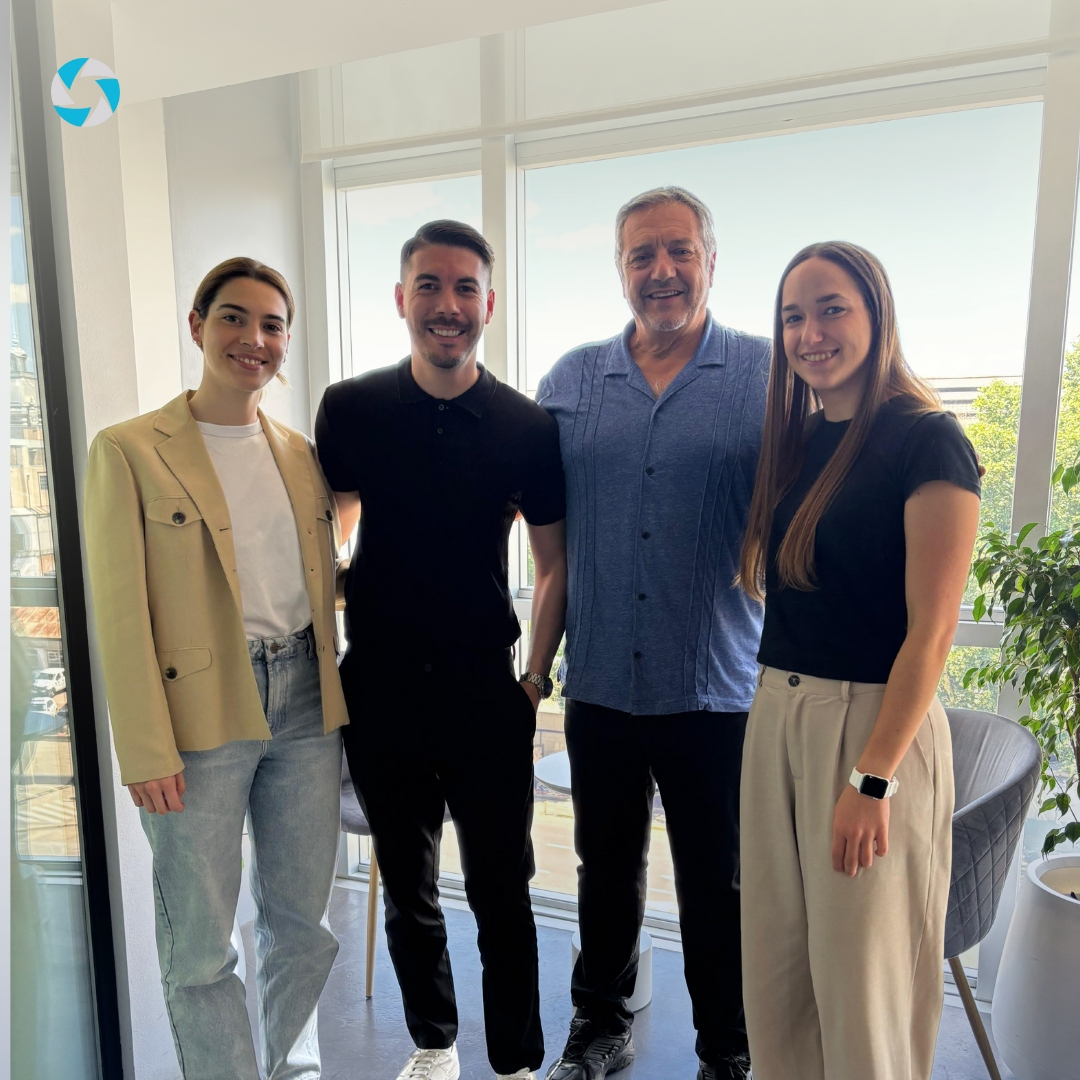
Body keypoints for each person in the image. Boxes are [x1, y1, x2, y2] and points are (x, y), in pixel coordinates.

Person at [315, 220, 567, 1080]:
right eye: (430, 285)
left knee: (502, 892)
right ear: (401, 298)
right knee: (408, 889)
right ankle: (434, 1044)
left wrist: (533, 680)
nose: (447, 304)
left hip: (484, 694)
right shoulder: (350, 408)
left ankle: (517, 1061)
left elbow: (554, 563)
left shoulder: (527, 426)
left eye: (465, 288)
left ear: (489, 304)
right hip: (380, 690)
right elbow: (329, 536)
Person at [84, 257, 348, 1080]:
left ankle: (295, 1071)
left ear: (285, 342)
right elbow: (119, 612)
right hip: (197, 714)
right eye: (234, 317)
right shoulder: (128, 450)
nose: (253, 338)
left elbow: (318, 572)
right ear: (198, 326)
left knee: (302, 926)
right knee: (201, 946)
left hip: (306, 705)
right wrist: (144, 747)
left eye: (272, 325)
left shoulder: (301, 454)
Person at [536, 187, 770, 1080]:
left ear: (711, 260)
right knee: (603, 870)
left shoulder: (765, 374)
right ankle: (599, 1027)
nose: (661, 270)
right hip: (599, 682)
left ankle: (727, 1047)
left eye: (679, 250)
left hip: (715, 689)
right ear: (621, 269)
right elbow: (525, 508)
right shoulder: (570, 381)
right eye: (642, 254)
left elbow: (830, 470)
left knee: (719, 882)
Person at [737, 241, 981, 1079]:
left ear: (877, 314)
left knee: (861, 989)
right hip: (776, 713)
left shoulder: (928, 440)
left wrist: (872, 779)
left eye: (831, 308)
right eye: (792, 317)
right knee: (777, 979)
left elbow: (933, 633)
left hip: (872, 728)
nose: (810, 333)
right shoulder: (797, 440)